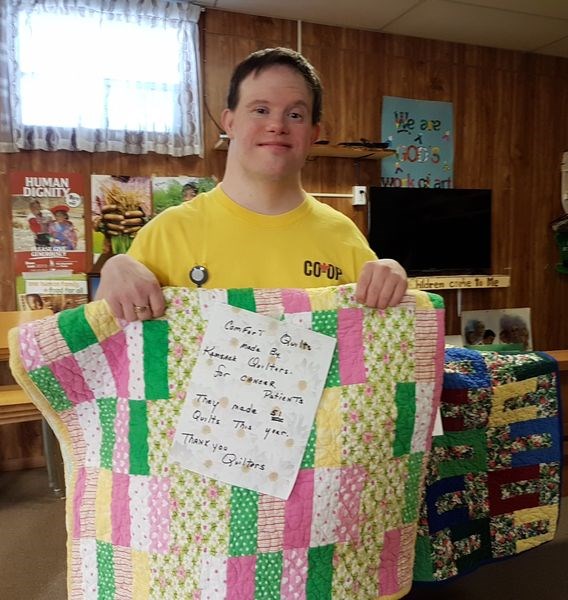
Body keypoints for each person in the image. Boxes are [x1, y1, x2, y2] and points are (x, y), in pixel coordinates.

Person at [96, 47, 407, 321]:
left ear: (313, 133)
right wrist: (113, 274)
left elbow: (376, 347)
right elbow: (112, 348)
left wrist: (393, 285)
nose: (277, 125)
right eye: (260, 110)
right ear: (229, 122)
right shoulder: (166, 234)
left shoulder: (342, 237)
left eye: (295, 114)